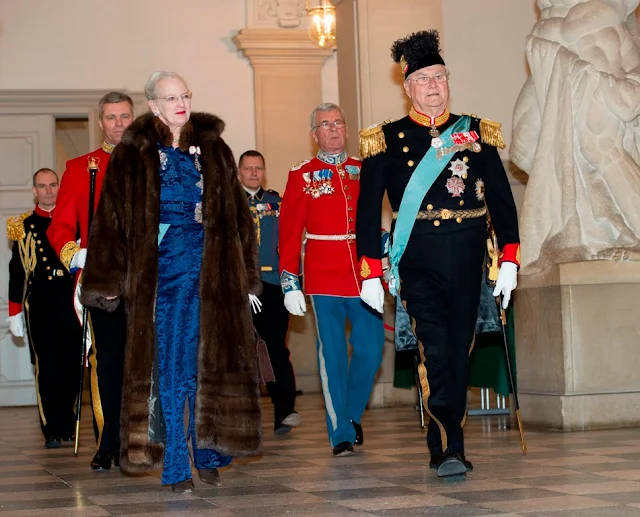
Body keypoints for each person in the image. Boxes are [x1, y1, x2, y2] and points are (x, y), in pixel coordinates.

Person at [80, 71, 263, 493]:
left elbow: (238, 217)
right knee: (173, 368)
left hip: (213, 269)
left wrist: (247, 277)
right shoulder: (133, 152)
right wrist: (108, 278)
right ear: (154, 106)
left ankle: (208, 451)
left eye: (185, 95)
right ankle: (177, 466)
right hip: (162, 272)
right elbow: (111, 220)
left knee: (211, 365)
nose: (180, 102)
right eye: (170, 97)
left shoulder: (214, 147)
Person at [356, 30, 520, 478]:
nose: (433, 86)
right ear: (407, 87)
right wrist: (370, 272)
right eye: (424, 78)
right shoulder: (384, 140)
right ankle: (451, 447)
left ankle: (443, 437)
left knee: (458, 352)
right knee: (436, 349)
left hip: (468, 258)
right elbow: (367, 213)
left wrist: (509, 259)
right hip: (418, 259)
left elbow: (503, 204)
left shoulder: (476, 132)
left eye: (440, 77)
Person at [279, 102, 384, 457]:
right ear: (314, 135)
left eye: (339, 122)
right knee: (334, 355)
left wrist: (387, 265)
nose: (334, 129)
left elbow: (375, 223)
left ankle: (352, 416)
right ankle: (339, 431)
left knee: (371, 350)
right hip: (323, 276)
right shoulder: (302, 174)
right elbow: (290, 232)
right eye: (325, 124)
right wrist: (290, 280)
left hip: (364, 274)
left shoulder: (363, 169)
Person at [47, 91, 134, 470]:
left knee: (152, 362)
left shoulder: (156, 163)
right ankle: (110, 441)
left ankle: (152, 438)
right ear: (101, 122)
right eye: (111, 117)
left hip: (152, 280)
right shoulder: (82, 167)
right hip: (105, 281)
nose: (118, 123)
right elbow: (61, 225)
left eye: (125, 116)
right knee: (111, 362)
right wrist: (75, 254)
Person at [6, 168, 82, 448]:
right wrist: (14, 311)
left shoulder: (73, 220)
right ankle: (52, 426)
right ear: (35, 191)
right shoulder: (24, 225)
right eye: (42, 186)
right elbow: (17, 271)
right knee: (47, 365)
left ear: (59, 187)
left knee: (73, 363)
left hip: (72, 299)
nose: (48, 190)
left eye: (53, 185)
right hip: (41, 303)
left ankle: (68, 419)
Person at [238, 150, 300, 435]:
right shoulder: (228, 204)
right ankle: (241, 415)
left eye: (258, 169)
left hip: (273, 285)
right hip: (239, 288)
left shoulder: (277, 202)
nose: (253, 173)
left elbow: (290, 241)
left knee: (276, 347)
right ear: (239, 172)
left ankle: (285, 411)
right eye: (248, 169)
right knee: (240, 353)